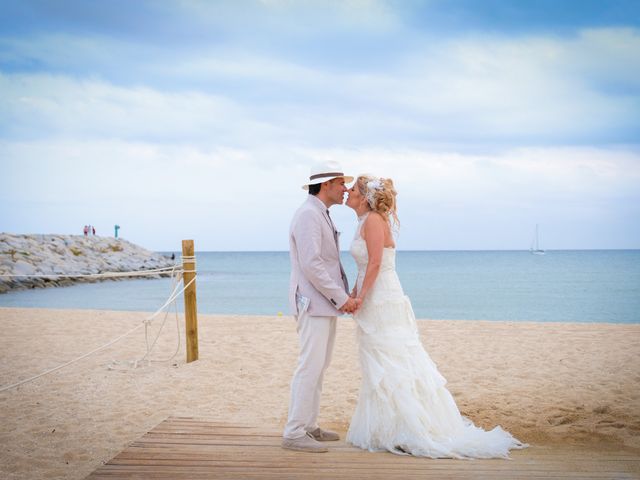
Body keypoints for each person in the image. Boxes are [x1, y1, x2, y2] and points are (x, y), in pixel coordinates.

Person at [344, 175, 527, 458]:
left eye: (353, 189)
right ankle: (389, 427)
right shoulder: (363, 222)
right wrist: (354, 295)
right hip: (371, 295)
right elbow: (364, 264)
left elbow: (377, 262)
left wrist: (362, 296)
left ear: (365, 197)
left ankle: (411, 427)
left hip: (383, 298)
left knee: (394, 359)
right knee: (379, 359)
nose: (348, 191)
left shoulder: (373, 220)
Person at [282, 161, 361, 453]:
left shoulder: (319, 213)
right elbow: (312, 264)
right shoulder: (307, 215)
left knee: (319, 366)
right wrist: (342, 298)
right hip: (313, 303)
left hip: (323, 304)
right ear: (326, 185)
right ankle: (293, 432)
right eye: (341, 183)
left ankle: (309, 426)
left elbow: (326, 262)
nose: (345, 189)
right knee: (309, 366)